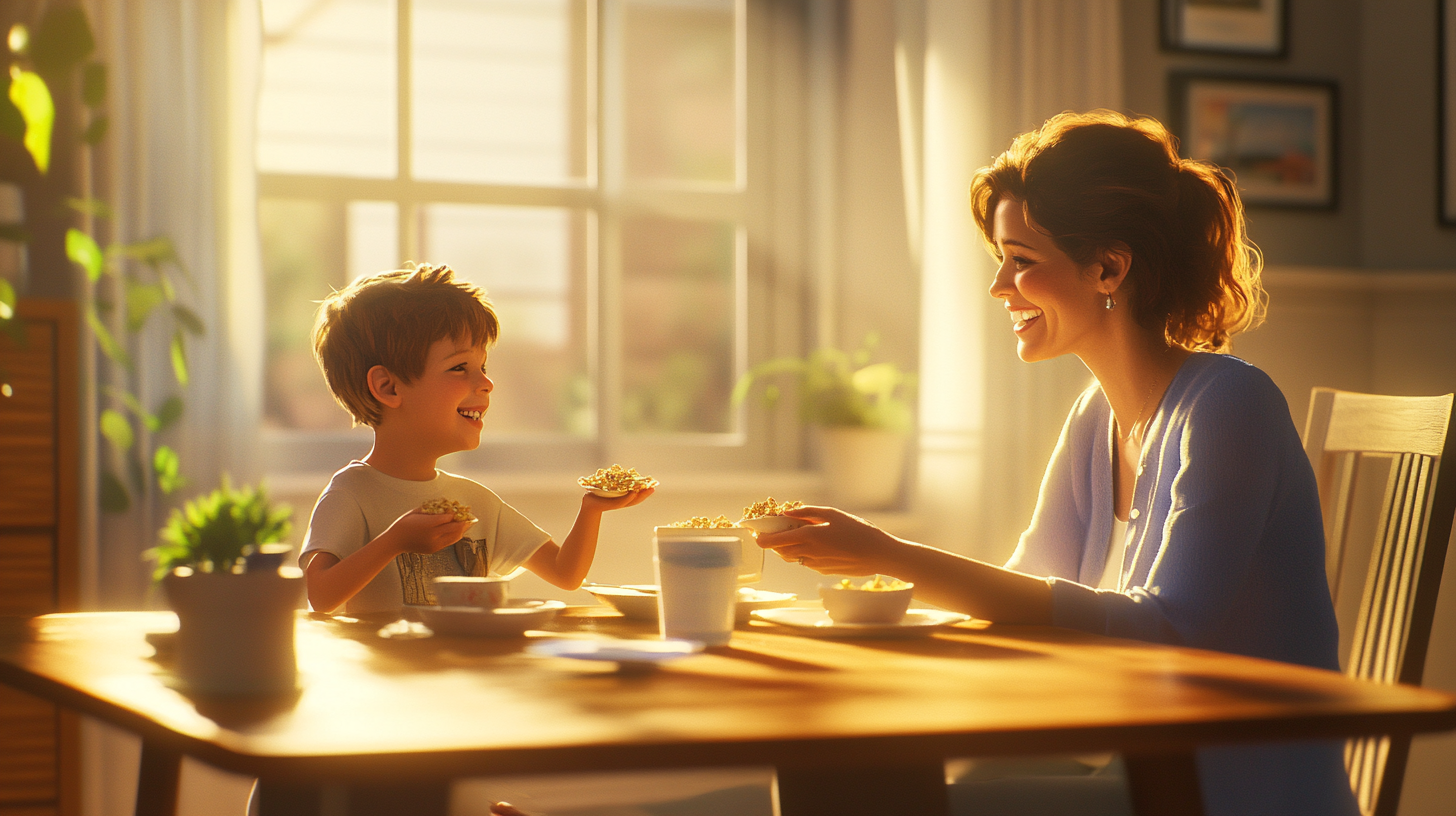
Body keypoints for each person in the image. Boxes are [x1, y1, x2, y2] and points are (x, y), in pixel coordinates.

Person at [757, 111, 1359, 816]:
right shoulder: (1095, 418)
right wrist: (870, 585)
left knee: (869, 793)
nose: (999, 287)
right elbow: (1025, 587)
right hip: (1127, 764)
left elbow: (1167, 630)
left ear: (1108, 267)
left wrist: (890, 553)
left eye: (1022, 260)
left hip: (1226, 790)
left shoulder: (1231, 405)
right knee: (839, 776)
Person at [300, 263, 653, 616]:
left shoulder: (472, 501)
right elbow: (321, 595)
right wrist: (395, 541)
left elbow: (565, 573)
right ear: (388, 387)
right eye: (460, 367)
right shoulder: (352, 492)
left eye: (483, 367)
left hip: (469, 668)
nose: (486, 383)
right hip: (389, 670)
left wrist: (591, 509)